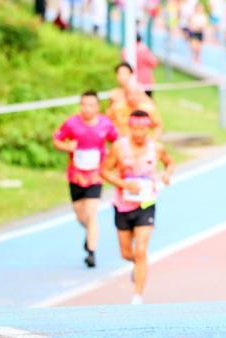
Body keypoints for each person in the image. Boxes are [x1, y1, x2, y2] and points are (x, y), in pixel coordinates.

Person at [100, 110, 174, 305]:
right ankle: (138, 264)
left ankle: (137, 297)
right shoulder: (119, 147)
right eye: (135, 129)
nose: (139, 133)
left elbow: (169, 163)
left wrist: (167, 174)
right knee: (127, 253)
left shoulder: (156, 148)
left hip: (146, 203)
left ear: (148, 129)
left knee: (141, 250)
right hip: (123, 204)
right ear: (130, 128)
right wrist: (124, 184)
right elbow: (104, 171)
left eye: (143, 129)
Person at [53, 91, 118, 268]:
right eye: (84, 104)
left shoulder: (105, 124)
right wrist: (67, 147)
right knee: (81, 216)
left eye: (91, 105)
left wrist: (111, 158)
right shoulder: (72, 123)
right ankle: (90, 235)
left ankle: (91, 252)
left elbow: (117, 142)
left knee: (91, 213)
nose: (87, 109)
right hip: (76, 176)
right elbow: (56, 140)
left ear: (97, 107)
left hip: (95, 176)